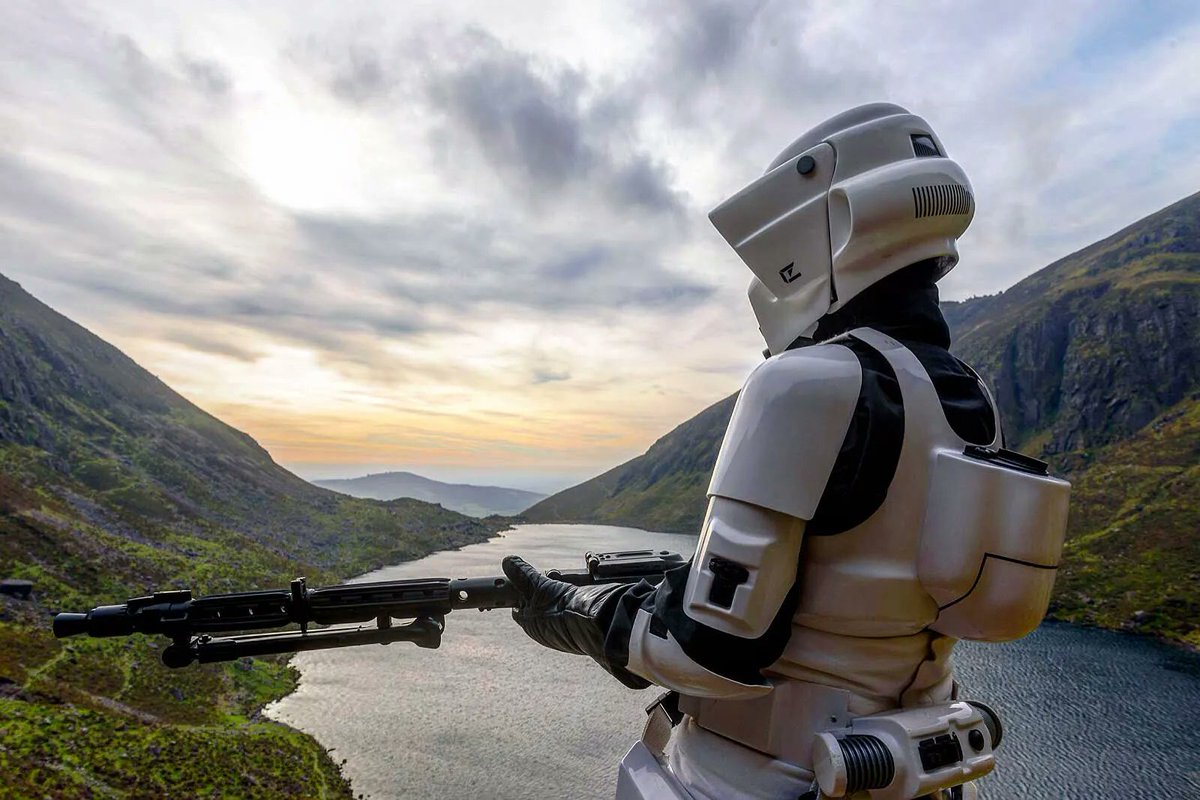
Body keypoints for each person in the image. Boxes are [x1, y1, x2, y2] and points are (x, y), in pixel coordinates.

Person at [503, 103, 1069, 800]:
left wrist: (574, 614)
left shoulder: (805, 383)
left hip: (754, 778)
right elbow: (857, 571)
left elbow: (709, 649)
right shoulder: (969, 396)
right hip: (917, 776)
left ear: (816, 226)